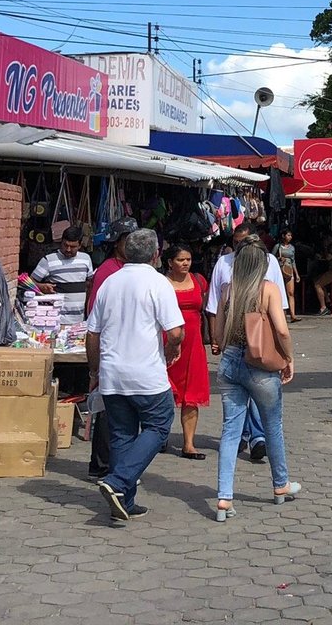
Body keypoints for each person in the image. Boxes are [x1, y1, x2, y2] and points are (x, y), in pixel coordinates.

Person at [85, 228, 184, 523]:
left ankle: (124, 501)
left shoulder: (109, 283)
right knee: (159, 426)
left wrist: (94, 370)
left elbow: (92, 333)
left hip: (113, 372)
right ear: (155, 254)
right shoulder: (158, 283)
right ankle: (118, 481)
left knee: (122, 435)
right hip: (146, 373)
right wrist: (171, 348)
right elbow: (176, 331)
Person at [214, 242, 300, 519]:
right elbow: (283, 331)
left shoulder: (228, 290)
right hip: (261, 366)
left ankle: (224, 497)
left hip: (229, 362)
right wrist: (288, 359)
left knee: (230, 431)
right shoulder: (268, 289)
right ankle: (280, 485)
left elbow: (217, 333)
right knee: (272, 425)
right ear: (263, 264)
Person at [206, 220, 289, 465]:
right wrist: (216, 340)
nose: (241, 247)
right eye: (236, 243)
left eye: (244, 243)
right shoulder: (223, 264)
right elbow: (213, 307)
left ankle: (225, 494)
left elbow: (279, 314)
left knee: (232, 426)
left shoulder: (269, 263)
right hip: (235, 346)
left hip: (257, 343)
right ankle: (278, 479)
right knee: (268, 419)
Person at [84, 217, 138, 479]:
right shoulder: (108, 270)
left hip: (126, 348)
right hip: (111, 348)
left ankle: (107, 464)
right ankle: (104, 465)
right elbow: (96, 317)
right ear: (117, 243)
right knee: (108, 411)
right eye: (128, 240)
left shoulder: (130, 269)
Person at [163, 242, 210, 460]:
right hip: (167, 342)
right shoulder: (161, 283)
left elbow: (208, 310)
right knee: (163, 390)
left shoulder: (199, 280)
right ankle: (159, 435)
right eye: (180, 260)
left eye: (188, 259)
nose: (185, 263)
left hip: (194, 343)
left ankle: (188, 444)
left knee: (191, 394)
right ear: (170, 262)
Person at [31, 224, 95, 324]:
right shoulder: (49, 260)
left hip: (79, 322)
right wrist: (41, 286)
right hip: (55, 321)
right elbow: (28, 282)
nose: (68, 249)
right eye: (65, 245)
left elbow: (90, 284)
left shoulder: (86, 259)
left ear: (80, 245)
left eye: (73, 246)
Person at [273, 229, 300, 322]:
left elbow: (293, 261)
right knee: (280, 293)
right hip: (280, 270)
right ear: (283, 236)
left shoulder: (292, 248)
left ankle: (293, 314)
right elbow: (271, 258)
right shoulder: (278, 246)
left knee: (291, 293)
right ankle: (282, 314)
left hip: (289, 270)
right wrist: (279, 258)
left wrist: (297, 274)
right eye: (288, 235)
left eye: (291, 236)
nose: (290, 237)